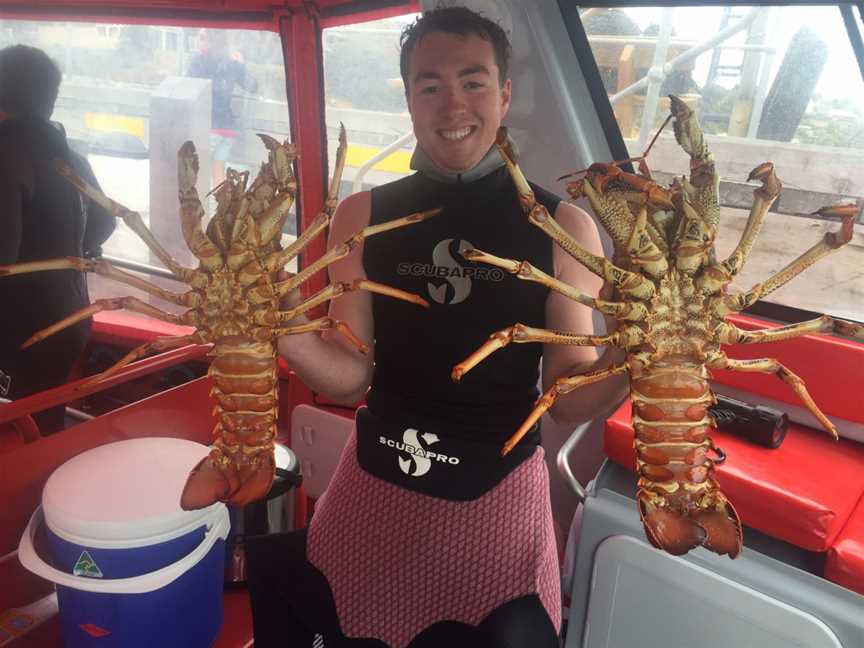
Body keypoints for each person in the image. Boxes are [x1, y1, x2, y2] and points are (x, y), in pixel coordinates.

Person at [248, 7, 627, 647]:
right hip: (374, 483)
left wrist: (637, 354)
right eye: (430, 85)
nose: (453, 104)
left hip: (497, 495)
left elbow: (565, 399)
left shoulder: (563, 227)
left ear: (504, 95)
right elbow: (348, 376)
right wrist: (277, 328)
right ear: (409, 98)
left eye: (474, 81)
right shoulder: (362, 216)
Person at [0, 45, 115, 435]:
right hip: (68, 318)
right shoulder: (70, 155)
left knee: (13, 436)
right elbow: (103, 223)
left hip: (17, 331)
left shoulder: (5, 154)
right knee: (42, 424)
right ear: (50, 101)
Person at [187, 28, 258, 188]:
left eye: (203, 38)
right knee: (218, 173)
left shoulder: (199, 61)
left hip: (210, 127)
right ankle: (223, 210)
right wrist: (241, 65)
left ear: (213, 41)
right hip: (227, 130)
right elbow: (252, 86)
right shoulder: (231, 63)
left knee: (198, 176)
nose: (199, 41)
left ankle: (203, 212)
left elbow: (188, 87)